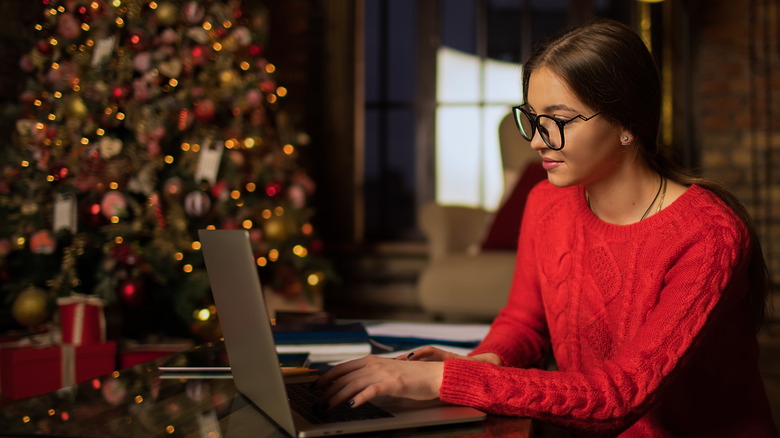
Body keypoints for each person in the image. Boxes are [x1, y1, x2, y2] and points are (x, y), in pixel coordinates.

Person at [315, 19, 778, 436]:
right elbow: (524, 322)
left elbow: (621, 395)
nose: (537, 140)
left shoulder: (709, 235)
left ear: (628, 123)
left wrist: (446, 379)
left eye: (556, 121)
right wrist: (481, 362)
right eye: (533, 119)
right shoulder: (546, 202)